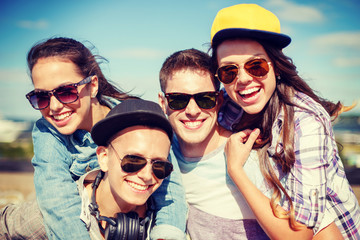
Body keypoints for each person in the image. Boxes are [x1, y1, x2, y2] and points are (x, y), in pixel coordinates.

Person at [0, 37, 186, 239]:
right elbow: (57, 201)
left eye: (66, 91)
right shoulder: (47, 132)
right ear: (102, 156)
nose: (53, 106)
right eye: (41, 97)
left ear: (93, 85)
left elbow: (170, 190)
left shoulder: (139, 118)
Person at [210, 3, 360, 239]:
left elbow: (298, 235)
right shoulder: (229, 106)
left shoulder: (306, 122)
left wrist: (235, 169)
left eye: (255, 66)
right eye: (229, 71)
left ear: (277, 67)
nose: (243, 79)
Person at [158, 48, 270, 239]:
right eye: (178, 100)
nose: (192, 110)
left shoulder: (249, 157)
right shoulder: (159, 156)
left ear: (218, 100)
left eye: (204, 99)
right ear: (163, 102)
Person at [85, 98, 174, 239]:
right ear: (104, 158)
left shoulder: (169, 222)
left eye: (159, 165)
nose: (147, 176)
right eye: (133, 160)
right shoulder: (45, 219)